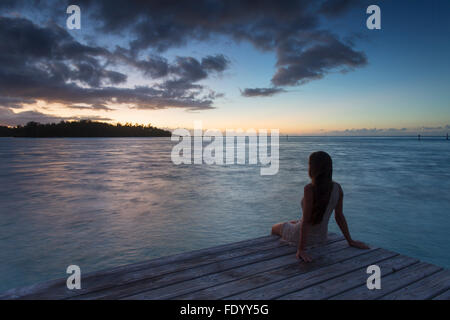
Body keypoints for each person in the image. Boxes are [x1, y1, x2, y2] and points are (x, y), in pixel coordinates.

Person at [271, 151, 369, 262]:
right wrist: (350, 240)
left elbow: (307, 221)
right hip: (322, 237)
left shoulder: (310, 189)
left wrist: (301, 249)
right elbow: (339, 217)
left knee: (275, 228)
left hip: (301, 237)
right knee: (294, 221)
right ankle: (294, 227)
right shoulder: (337, 188)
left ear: (313, 169)